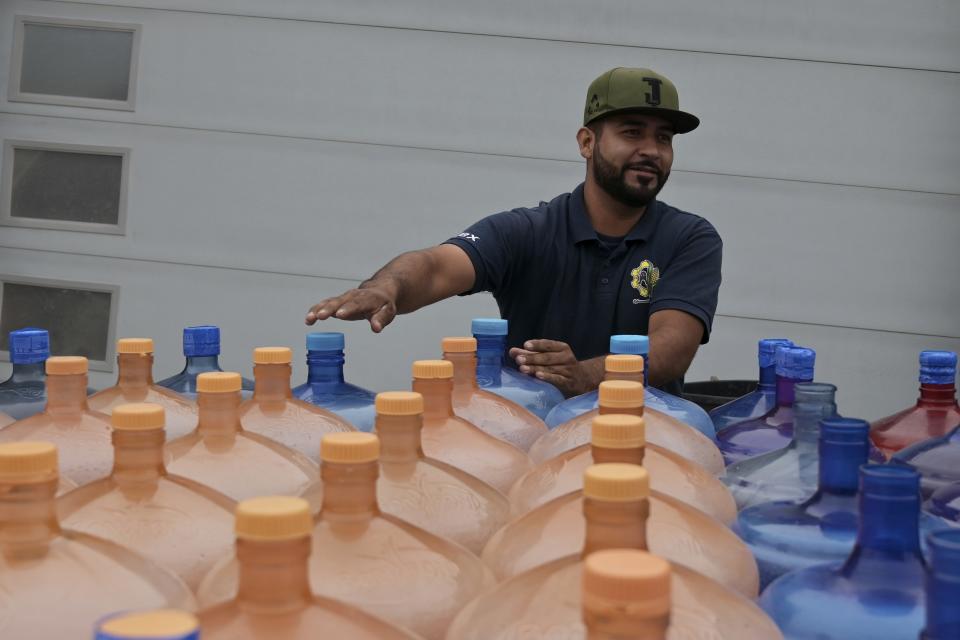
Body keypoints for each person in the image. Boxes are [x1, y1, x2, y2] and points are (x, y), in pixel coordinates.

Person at [306, 67, 722, 398]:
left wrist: (585, 376)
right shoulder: (531, 231)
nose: (651, 149)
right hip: (531, 442)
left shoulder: (690, 238)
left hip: (646, 445)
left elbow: (671, 347)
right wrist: (387, 288)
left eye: (663, 138)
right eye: (632, 132)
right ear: (587, 142)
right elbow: (436, 266)